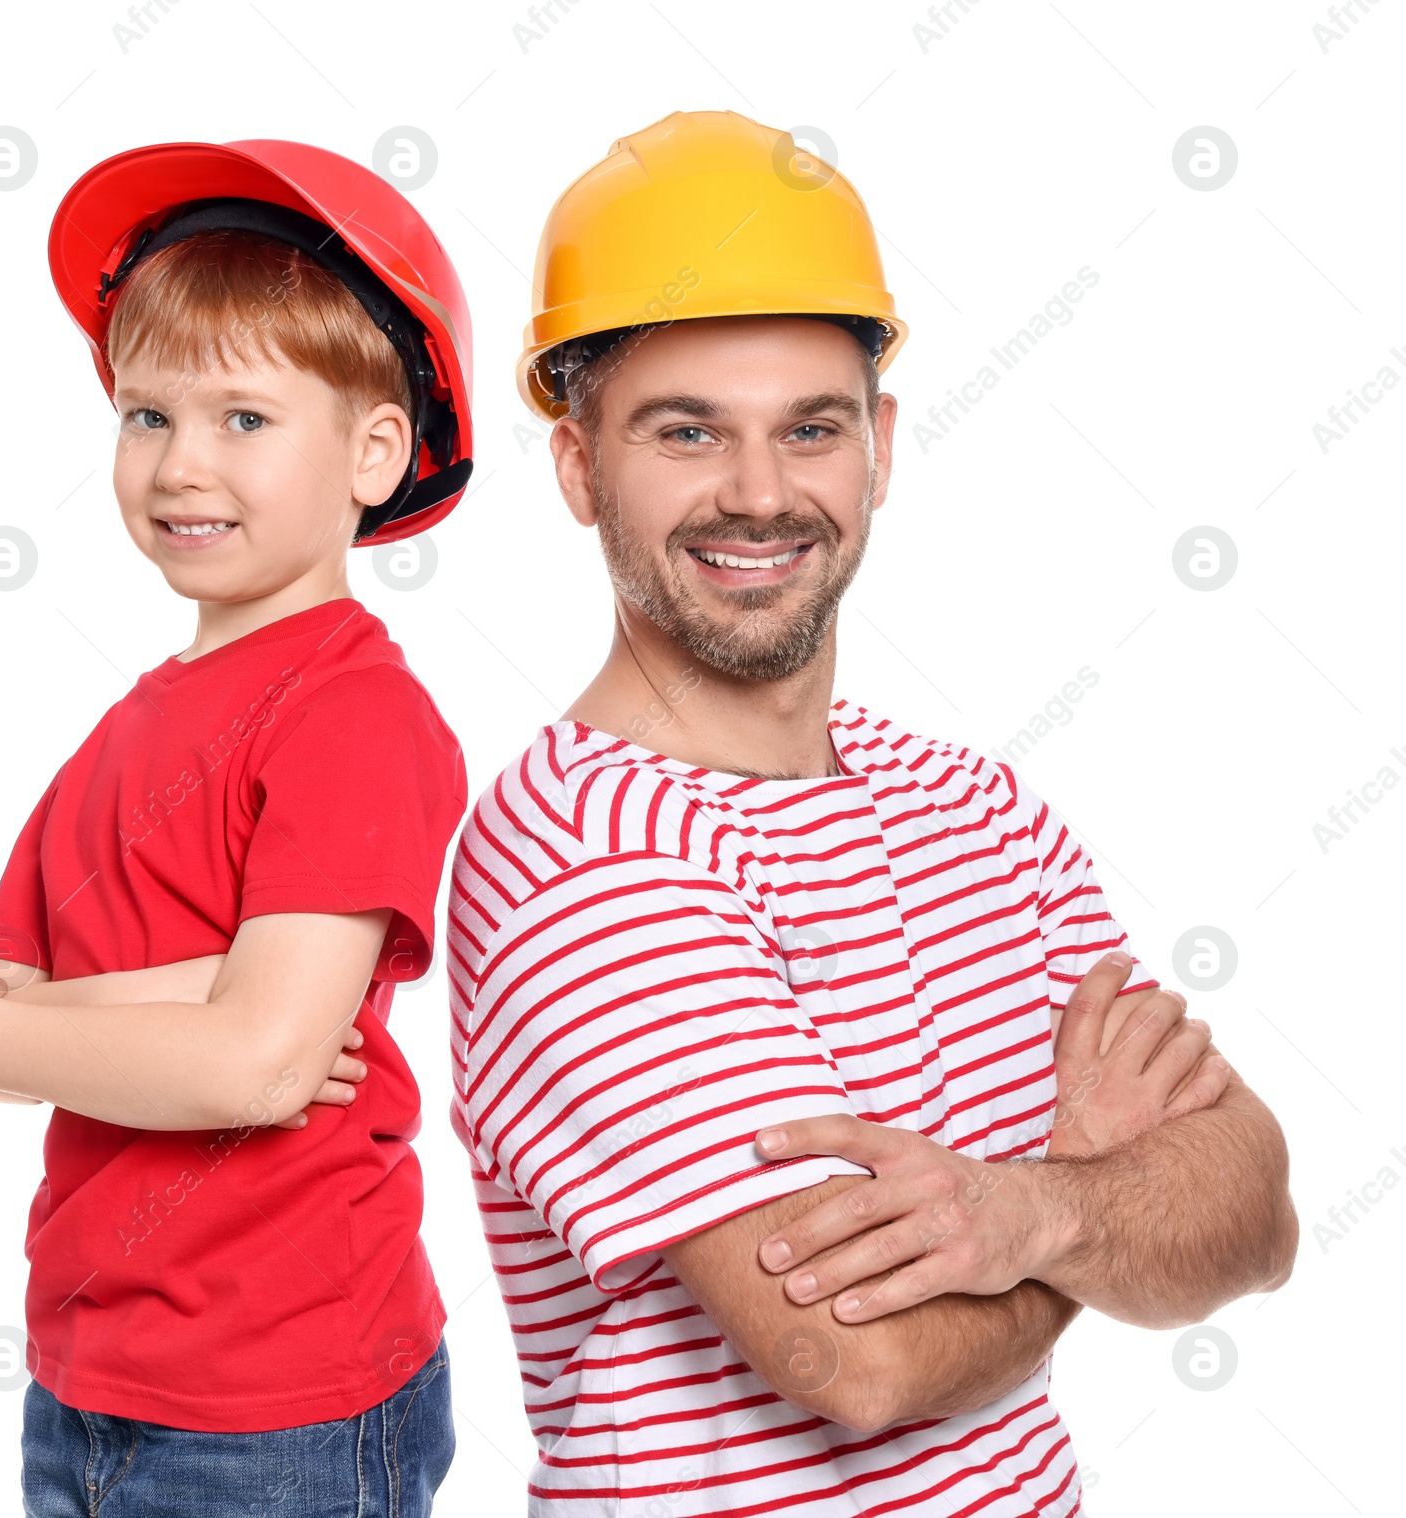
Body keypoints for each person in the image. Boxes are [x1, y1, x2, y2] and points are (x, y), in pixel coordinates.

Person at [449, 110, 1298, 1516]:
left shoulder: (976, 805)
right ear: (580, 462)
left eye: (812, 428)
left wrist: (1026, 1210)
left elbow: (1257, 1212)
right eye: (686, 432)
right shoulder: (579, 863)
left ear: (882, 447)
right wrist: (1096, 1185)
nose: (762, 494)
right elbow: (855, 1358)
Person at [0, 138, 475, 1516]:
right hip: (86, 1380)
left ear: (374, 452)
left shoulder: (353, 714)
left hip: (281, 1405)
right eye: (147, 415)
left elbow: (259, 1069)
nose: (178, 463)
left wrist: (141, 1027)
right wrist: (200, 996)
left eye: (243, 417)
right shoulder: (121, 734)